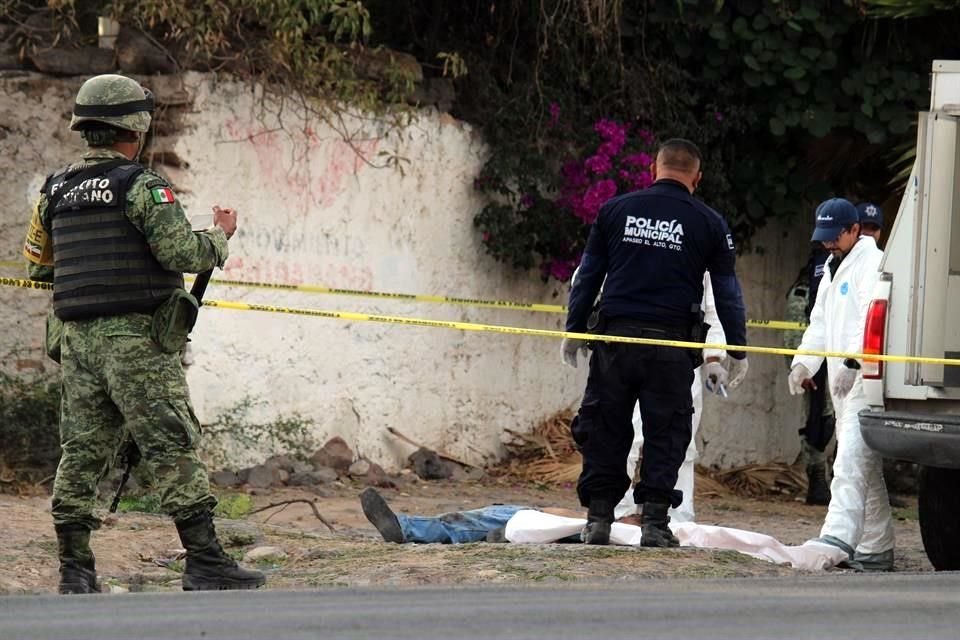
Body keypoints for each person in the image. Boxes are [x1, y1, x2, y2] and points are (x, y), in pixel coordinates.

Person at [22, 74, 265, 593]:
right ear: (136, 126)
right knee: (171, 446)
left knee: (81, 452)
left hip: (77, 343)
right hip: (135, 341)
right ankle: (204, 561)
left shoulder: (55, 190)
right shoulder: (142, 185)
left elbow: (40, 268)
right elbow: (183, 254)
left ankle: (75, 571)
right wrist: (220, 235)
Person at [561, 138, 748, 548]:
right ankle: (656, 525)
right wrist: (736, 348)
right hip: (670, 349)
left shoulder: (615, 210)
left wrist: (574, 329)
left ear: (652, 169)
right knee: (667, 433)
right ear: (697, 178)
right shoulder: (709, 222)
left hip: (615, 342)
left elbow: (588, 274)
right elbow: (727, 291)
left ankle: (597, 520)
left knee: (606, 427)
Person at [787, 197, 895, 571]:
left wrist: (852, 360)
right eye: (824, 238)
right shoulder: (833, 266)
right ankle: (878, 547)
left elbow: (871, 317)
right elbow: (818, 322)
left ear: (854, 230)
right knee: (866, 466)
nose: (828, 244)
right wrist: (803, 364)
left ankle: (838, 536)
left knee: (849, 459)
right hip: (841, 381)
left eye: (835, 236)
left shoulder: (872, 262)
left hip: (864, 378)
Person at [614, 273, 729, 524]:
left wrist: (713, 357)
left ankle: (676, 514)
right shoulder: (626, 239)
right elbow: (591, 277)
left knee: (681, 438)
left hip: (680, 357)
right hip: (629, 350)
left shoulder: (698, 252)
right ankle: (617, 509)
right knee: (625, 434)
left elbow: (712, 310)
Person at [783, 243, 835, 505]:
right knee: (817, 421)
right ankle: (817, 480)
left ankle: (834, 480)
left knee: (834, 422)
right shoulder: (808, 283)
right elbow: (793, 330)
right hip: (815, 367)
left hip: (839, 363)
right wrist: (800, 366)